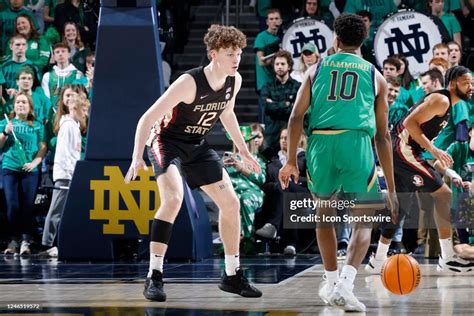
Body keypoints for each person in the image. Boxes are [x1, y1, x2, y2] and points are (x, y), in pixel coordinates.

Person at [125, 24, 262, 302]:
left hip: (196, 144)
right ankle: (154, 275)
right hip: (166, 141)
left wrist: (244, 150)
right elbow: (147, 118)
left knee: (231, 204)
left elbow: (226, 113)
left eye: (238, 53)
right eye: (229, 54)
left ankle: (232, 275)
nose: (236, 59)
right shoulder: (189, 82)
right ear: (213, 55)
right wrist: (136, 156)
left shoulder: (233, 81)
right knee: (174, 199)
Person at [279, 14, 398, 312]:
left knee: (324, 215)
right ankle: (345, 284)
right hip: (356, 143)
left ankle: (331, 282)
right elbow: (384, 136)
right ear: (363, 41)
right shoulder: (375, 75)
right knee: (364, 218)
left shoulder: (315, 69)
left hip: (320, 144)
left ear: (336, 39)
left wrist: (291, 161)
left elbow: (295, 117)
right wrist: (392, 188)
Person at [365, 66, 474, 275]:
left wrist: (449, 172)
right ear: (452, 84)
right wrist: (433, 149)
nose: (470, 87)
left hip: (402, 151)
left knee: (401, 207)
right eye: (466, 82)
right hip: (401, 149)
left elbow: (419, 141)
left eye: (472, 83)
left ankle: (377, 260)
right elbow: (408, 123)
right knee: (444, 195)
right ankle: (448, 258)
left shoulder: (447, 105)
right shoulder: (441, 100)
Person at [0, 92, 46, 255]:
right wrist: (5, 132)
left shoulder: (38, 125)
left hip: (30, 171)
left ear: (30, 107)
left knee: (27, 206)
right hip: (10, 169)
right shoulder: (6, 123)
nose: (21, 104)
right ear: (14, 106)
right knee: (12, 205)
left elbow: (42, 148)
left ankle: (26, 240)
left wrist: (34, 163)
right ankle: (12, 240)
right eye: (18, 102)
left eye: (24, 102)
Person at [40, 94, 85, 257]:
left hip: (70, 174)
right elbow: (65, 154)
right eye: (84, 109)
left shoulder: (74, 125)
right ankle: (47, 244)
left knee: (64, 210)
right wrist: (70, 174)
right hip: (65, 175)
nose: (85, 113)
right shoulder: (67, 126)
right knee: (56, 209)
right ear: (75, 108)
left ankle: (58, 242)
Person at [224, 124, 267, 254]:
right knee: (229, 199)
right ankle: (230, 240)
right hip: (233, 191)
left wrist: (242, 168)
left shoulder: (258, 159)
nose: (241, 144)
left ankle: (248, 238)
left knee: (245, 199)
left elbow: (261, 179)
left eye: (244, 141)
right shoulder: (228, 159)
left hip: (253, 192)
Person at [260, 50, 301, 153]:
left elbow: (296, 111)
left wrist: (274, 104)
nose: (279, 66)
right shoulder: (267, 87)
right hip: (271, 138)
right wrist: (286, 104)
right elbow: (266, 107)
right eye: (277, 64)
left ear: (289, 66)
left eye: (283, 64)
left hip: (291, 135)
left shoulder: (298, 86)